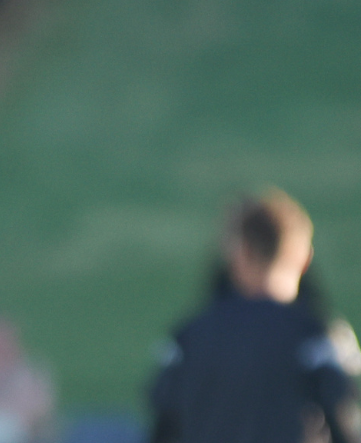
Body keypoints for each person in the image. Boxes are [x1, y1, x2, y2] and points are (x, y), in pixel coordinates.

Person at [149, 190, 361, 443]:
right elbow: (344, 424)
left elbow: (163, 427)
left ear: (239, 255)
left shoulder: (189, 338)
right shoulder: (315, 337)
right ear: (303, 258)